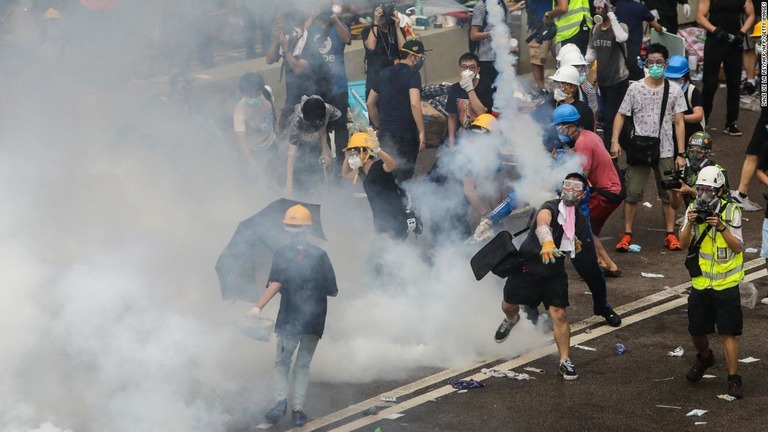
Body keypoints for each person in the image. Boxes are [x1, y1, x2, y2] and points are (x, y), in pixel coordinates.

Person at [489, 173, 593, 380]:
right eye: (567, 185)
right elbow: (543, 222)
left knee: (559, 314)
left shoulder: (580, 219)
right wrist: (546, 241)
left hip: (553, 274)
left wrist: (576, 244)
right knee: (508, 305)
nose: (570, 190)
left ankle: (565, 360)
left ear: (582, 194)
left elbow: (578, 241)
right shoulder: (551, 206)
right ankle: (512, 319)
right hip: (527, 269)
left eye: (576, 187)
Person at [249, 204, 338, 427]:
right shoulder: (321, 255)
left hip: (289, 319)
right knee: (302, 366)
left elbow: (275, 284)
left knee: (282, 362)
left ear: (287, 230)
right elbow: (333, 291)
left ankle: (281, 402)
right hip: (315, 319)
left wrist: (257, 307)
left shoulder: (281, 254)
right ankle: (298, 410)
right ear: (308, 230)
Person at [611, 43, 688, 252]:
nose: (655, 66)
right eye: (651, 62)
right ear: (646, 64)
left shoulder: (673, 90)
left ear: (666, 64)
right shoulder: (635, 88)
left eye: (659, 62)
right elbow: (621, 114)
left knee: (669, 192)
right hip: (640, 149)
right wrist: (614, 141)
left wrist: (681, 153)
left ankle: (670, 234)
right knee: (632, 193)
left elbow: (679, 122)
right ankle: (626, 234)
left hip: (665, 149)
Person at [678, 166, 744, 400]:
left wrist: (721, 227)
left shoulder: (732, 211)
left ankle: (733, 378)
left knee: (728, 333)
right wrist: (690, 223)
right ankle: (705, 357)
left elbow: (737, 247)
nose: (704, 195)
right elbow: (683, 243)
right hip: (701, 284)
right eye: (701, 189)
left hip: (726, 284)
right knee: (696, 331)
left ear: (720, 191)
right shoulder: (692, 211)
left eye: (709, 190)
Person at [553, 104, 623, 276]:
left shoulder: (583, 142)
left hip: (607, 192)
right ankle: (602, 262)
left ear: (570, 126)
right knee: (591, 229)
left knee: (584, 226)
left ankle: (608, 264)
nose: (558, 130)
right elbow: (577, 153)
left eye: (560, 126)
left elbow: (581, 176)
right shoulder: (588, 135)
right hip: (612, 189)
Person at [367, 39, 428, 183]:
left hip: (386, 134)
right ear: (412, 56)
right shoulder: (413, 74)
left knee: (388, 174)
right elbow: (414, 103)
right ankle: (402, 204)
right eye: (420, 57)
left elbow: (370, 103)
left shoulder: (383, 73)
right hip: (406, 135)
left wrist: (379, 125)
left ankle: (388, 204)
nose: (421, 61)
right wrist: (421, 131)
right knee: (404, 178)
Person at [341, 131, 416, 241]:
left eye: (355, 153)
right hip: (381, 224)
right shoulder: (362, 173)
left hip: (396, 222)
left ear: (365, 152)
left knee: (392, 255)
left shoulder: (379, 166)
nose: (353, 157)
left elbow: (392, 165)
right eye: (352, 153)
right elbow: (345, 174)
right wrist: (347, 157)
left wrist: (377, 150)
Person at [266, 9, 332, 131]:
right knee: (291, 134)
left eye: (294, 25)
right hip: (293, 97)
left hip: (312, 99)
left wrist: (286, 49)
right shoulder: (289, 40)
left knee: (312, 134)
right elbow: (269, 59)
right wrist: (277, 39)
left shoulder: (309, 43)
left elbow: (298, 68)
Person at [697, 0, 755, 136]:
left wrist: (742, 32)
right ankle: (703, 121)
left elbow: (751, 15)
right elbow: (700, 16)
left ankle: (731, 123)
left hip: (734, 41)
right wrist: (715, 30)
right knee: (710, 84)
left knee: (734, 84)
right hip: (715, 40)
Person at [306, 1, 351, 170]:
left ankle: (342, 164)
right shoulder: (311, 29)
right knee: (319, 127)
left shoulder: (338, 26)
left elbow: (346, 38)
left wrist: (336, 20)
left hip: (339, 86)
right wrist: (311, 17)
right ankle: (325, 162)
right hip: (318, 87)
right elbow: (300, 38)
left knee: (340, 127)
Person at [585, 1, 629, 151]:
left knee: (610, 120)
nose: (598, 10)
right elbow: (591, 51)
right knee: (616, 120)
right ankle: (630, 149)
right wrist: (581, 65)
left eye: (601, 7)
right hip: (603, 83)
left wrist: (610, 14)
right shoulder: (596, 29)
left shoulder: (620, 27)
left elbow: (622, 38)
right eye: (596, 7)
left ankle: (610, 158)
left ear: (612, 8)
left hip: (618, 82)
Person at [284, 96, 341, 199]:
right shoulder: (296, 121)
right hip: (300, 145)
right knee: (301, 170)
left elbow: (323, 128)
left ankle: (321, 197)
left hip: (316, 143)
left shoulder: (327, 109)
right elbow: (292, 154)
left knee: (320, 170)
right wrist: (289, 186)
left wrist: (324, 151)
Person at [470, 0, 524, 92]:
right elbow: (473, 35)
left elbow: (506, 29)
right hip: (485, 58)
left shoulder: (503, 4)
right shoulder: (481, 6)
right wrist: (490, 33)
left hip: (502, 58)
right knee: (487, 91)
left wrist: (511, 43)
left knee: (503, 90)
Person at [669, 131, 730, 212]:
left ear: (707, 154)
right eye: (691, 152)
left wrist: (691, 192)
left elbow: (718, 204)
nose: (694, 156)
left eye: (699, 152)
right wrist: (674, 189)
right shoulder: (685, 171)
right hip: (693, 215)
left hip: (716, 217)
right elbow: (675, 206)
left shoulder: (718, 172)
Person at [445, 52, 494, 148]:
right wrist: (451, 140)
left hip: (483, 135)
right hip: (463, 135)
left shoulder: (486, 87)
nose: (468, 71)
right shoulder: (454, 89)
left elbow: (482, 114)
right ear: (460, 69)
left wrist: (469, 89)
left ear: (478, 69)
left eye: (472, 67)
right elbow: (452, 116)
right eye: (464, 67)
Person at [233, 72, 278, 177]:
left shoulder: (266, 96)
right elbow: (241, 140)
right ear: (244, 93)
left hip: (269, 144)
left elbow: (272, 111)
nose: (254, 97)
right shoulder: (240, 110)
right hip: (251, 149)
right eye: (249, 94)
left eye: (256, 93)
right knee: (252, 180)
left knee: (273, 174)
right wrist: (251, 161)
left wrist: (275, 129)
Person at [361, 3, 406, 98]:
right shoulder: (368, 31)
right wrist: (376, 23)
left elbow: (404, 50)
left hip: (395, 80)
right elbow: (371, 46)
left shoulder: (397, 30)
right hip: (375, 81)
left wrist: (397, 28)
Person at [614, 0, 665, 81]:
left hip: (617, 50)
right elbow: (657, 27)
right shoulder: (640, 7)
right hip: (633, 51)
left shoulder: (614, 7)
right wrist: (662, 30)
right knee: (636, 80)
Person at [730, 104, 768, 211]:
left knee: (753, 154)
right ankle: (741, 194)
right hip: (765, 120)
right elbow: (764, 98)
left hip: (765, 120)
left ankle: (741, 194)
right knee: (753, 153)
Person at [665, 55, 705, 151]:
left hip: (690, 136)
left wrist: (680, 118)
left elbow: (698, 115)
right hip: (669, 136)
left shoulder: (692, 91)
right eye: (669, 78)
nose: (672, 82)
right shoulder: (664, 90)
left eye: (676, 78)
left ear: (685, 76)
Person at [526, 0, 556, 93]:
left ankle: (563, 88)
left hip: (560, 23)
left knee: (562, 58)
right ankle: (541, 89)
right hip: (538, 24)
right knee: (537, 59)